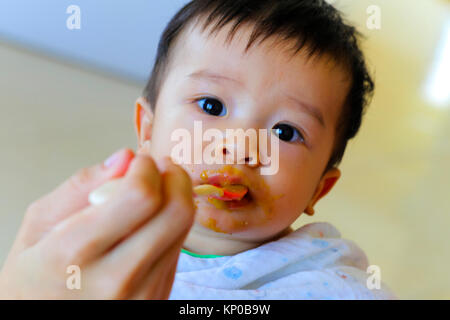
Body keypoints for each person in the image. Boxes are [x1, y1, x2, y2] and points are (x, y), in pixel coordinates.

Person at [0, 0, 396, 299]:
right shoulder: (97, 239)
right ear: (148, 130)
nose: (240, 146)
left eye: (286, 132)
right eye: (212, 106)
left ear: (318, 190)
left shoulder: (328, 283)